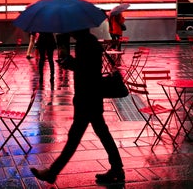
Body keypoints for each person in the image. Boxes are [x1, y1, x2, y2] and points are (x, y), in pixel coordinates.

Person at [30, 28, 124, 184]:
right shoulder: (91, 41)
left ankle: (52, 172)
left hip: (86, 98)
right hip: (93, 97)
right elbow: (90, 68)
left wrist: (70, 63)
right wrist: (72, 63)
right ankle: (117, 168)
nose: (70, 31)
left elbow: (86, 71)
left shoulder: (84, 44)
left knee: (74, 138)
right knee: (102, 133)